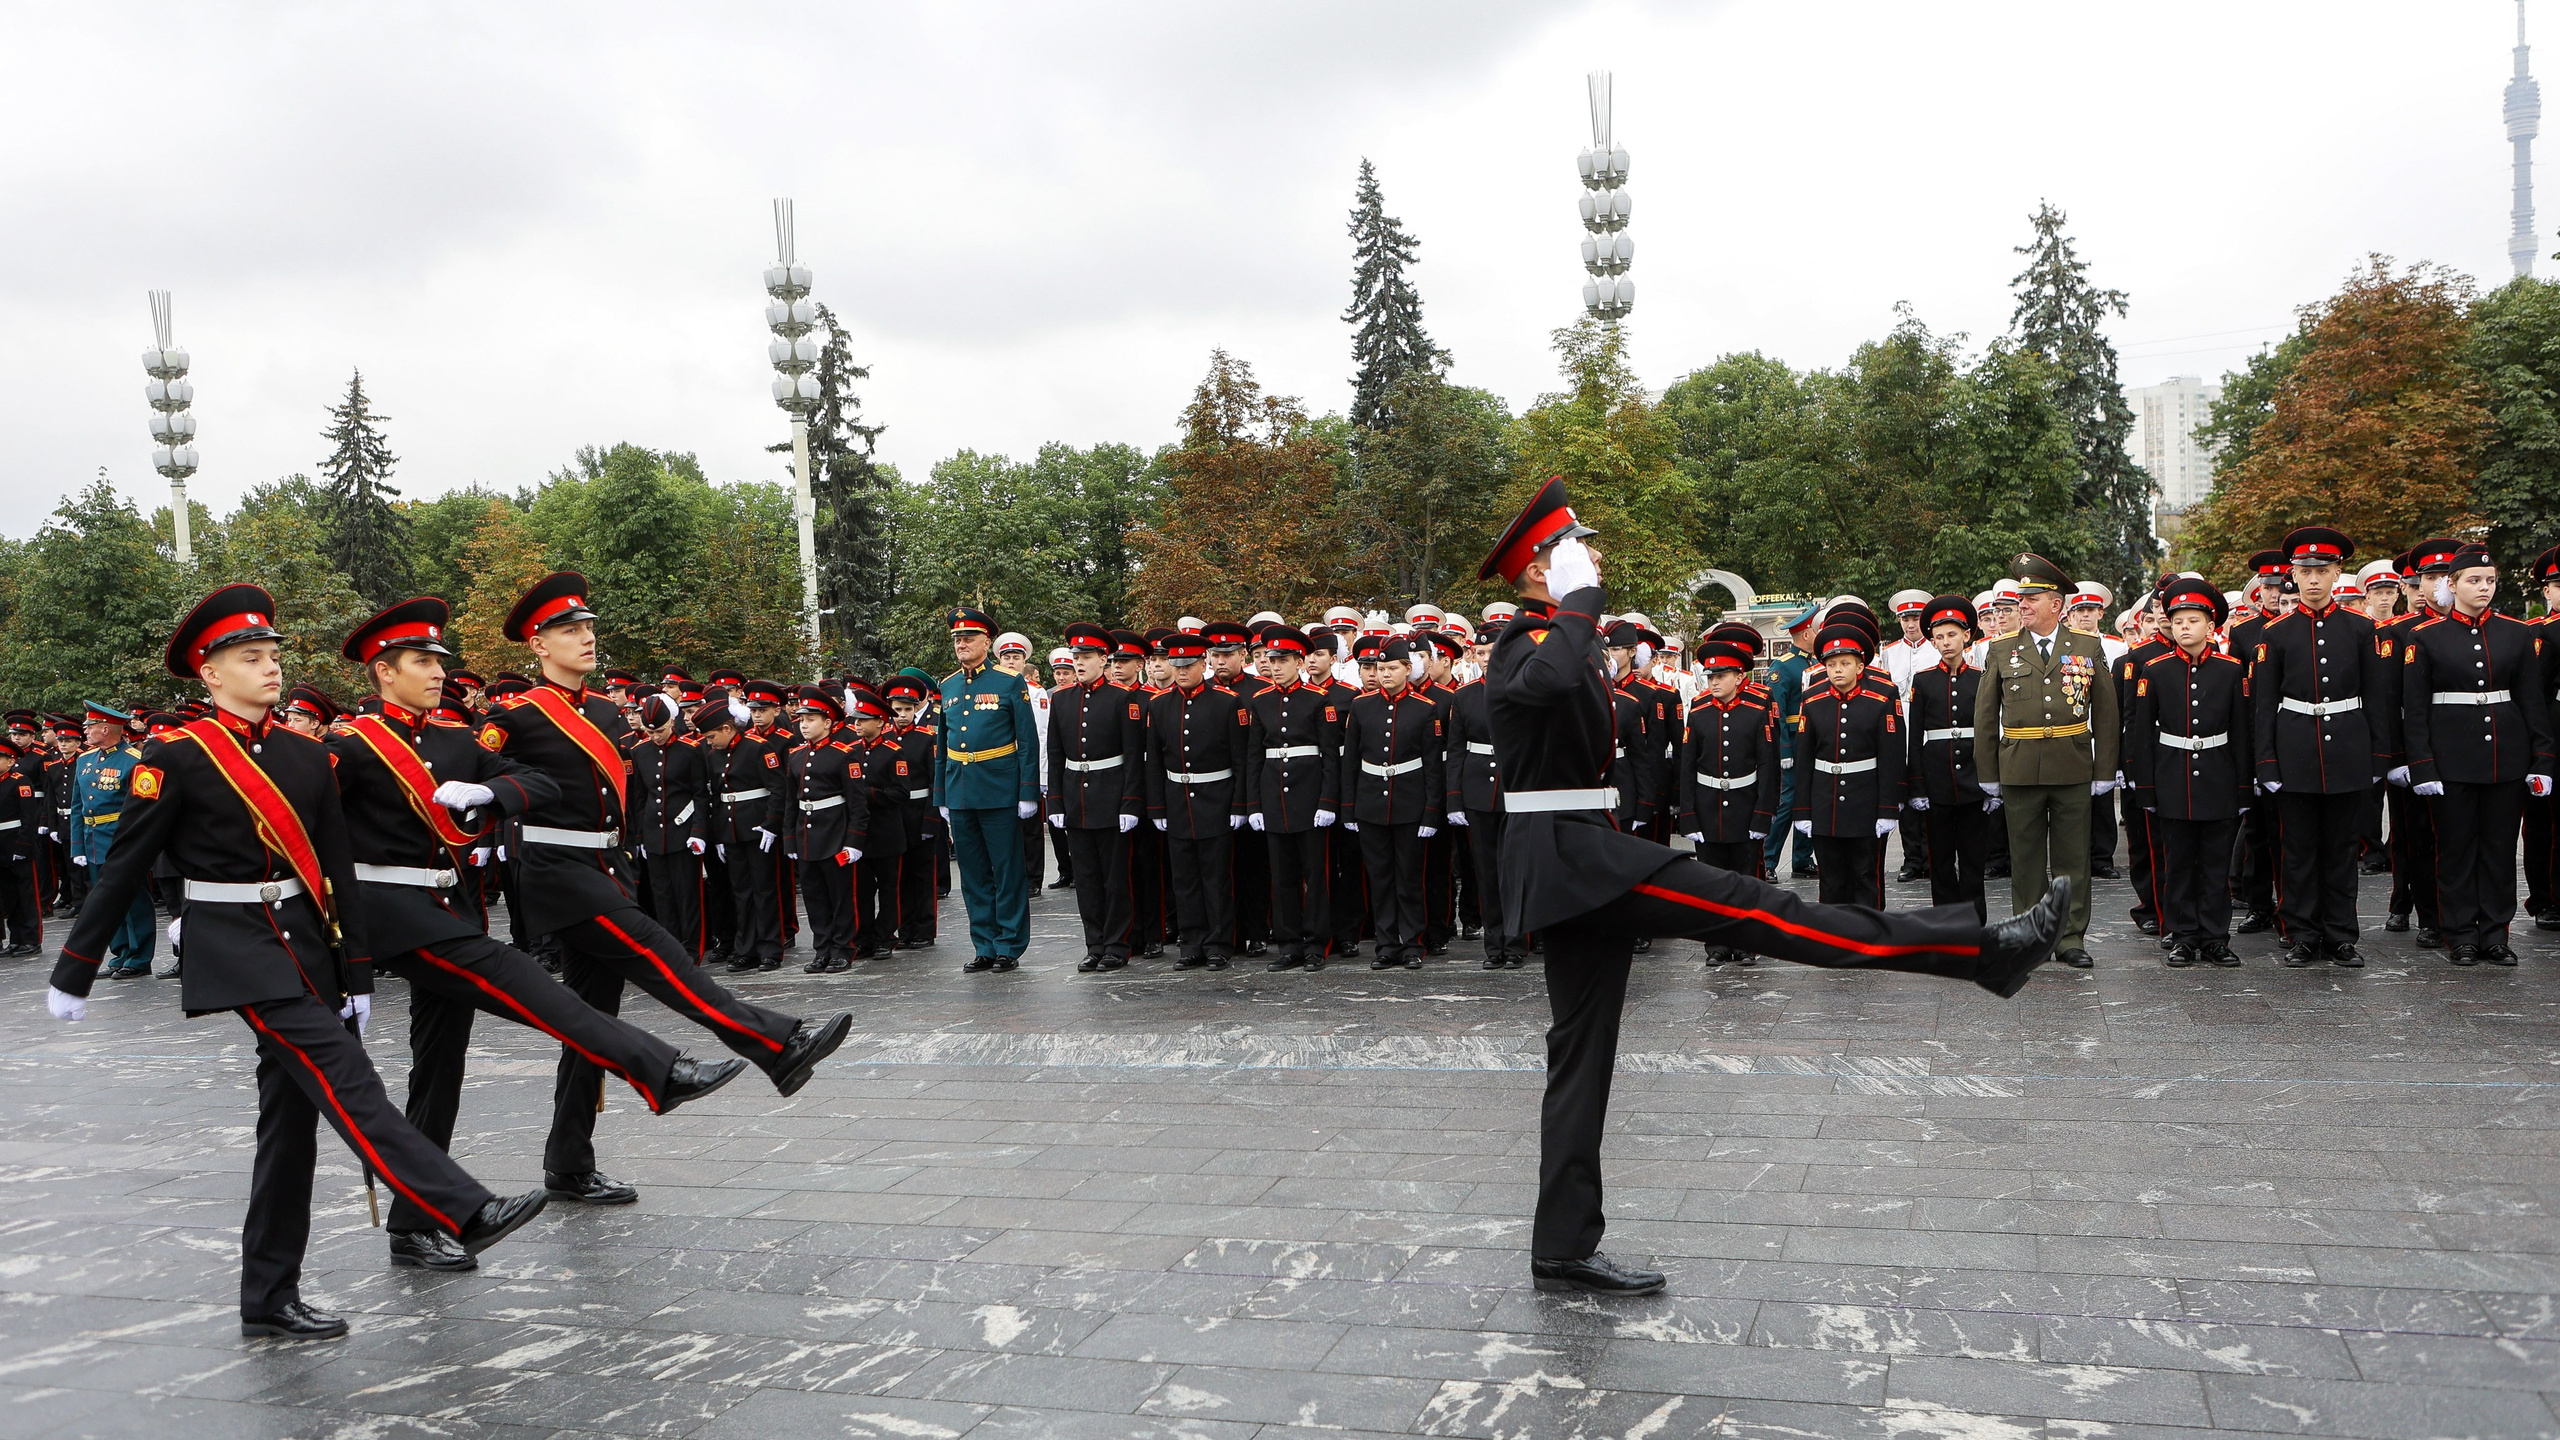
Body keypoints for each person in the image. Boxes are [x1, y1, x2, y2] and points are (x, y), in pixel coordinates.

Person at [1477, 479, 2068, 1297]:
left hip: (1581, 853)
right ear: (1543, 571)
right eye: (1580, 548)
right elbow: (1540, 686)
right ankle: (1981, 950)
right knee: (1768, 909)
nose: (1597, 556)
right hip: (1573, 857)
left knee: (1580, 1056)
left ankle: (1561, 1246)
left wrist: (1580, 604)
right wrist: (1578, 598)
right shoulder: (1522, 644)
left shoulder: (1558, 637)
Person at [47, 585, 552, 1338]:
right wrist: (75, 969)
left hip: (308, 938)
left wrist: (355, 972)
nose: (270, 668)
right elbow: (123, 867)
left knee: (289, 1122)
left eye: (274, 655)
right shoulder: (175, 758)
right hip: (233, 945)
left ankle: (268, 1293)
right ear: (210, 675)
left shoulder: (306, 756)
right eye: (251, 659)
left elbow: (336, 870)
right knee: (347, 1079)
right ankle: (459, 1205)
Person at [327, 597, 743, 1271]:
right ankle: (658, 1069)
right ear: (383, 673)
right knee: (532, 991)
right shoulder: (349, 748)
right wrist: (336, 946)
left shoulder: (455, 740)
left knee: (440, 1068)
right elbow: (313, 834)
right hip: (392, 913)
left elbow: (538, 781)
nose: (437, 672)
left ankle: (412, 1225)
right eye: (421, 662)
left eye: (439, 661)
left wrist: (496, 797)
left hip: (450, 906)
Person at [483, 573, 852, 1206]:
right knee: (662, 955)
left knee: (592, 1024)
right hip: (556, 873)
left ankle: (568, 1162)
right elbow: (480, 773)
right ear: (538, 645)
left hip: (606, 867)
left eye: (589, 627)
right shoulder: (512, 717)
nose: (586, 638)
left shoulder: (602, 711)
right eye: (570, 631)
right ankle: (774, 1043)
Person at [2398, 544, 2556, 967]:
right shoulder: (2425, 637)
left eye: (2489, 581)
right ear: (2452, 585)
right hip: (2451, 759)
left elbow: (2531, 702)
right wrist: (2422, 763)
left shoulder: (2517, 633)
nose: (2483, 587)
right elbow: (2415, 710)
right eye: (2473, 580)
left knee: (2500, 850)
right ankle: (2461, 934)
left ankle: (2495, 933)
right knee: (2456, 849)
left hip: (2506, 757)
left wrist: (2543, 759)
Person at [2250, 526, 2394, 968]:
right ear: (2293, 574)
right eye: (2305, 571)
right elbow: (2264, 704)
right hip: (2295, 750)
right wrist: (2266, 762)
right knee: (2298, 851)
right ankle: (2303, 933)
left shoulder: (2361, 628)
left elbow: (2378, 698)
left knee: (2341, 849)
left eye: (2323, 571)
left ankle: (2340, 935)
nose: (2313, 580)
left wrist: (2379, 757)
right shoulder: (2275, 633)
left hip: (2348, 749)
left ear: (2337, 574)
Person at [1974, 552, 2118, 970]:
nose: (2022, 605)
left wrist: (2104, 770)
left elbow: (2106, 714)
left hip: (2073, 765)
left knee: (2074, 858)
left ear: (2056, 604)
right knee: (2027, 860)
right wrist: (1988, 774)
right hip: (2018, 767)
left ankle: (2070, 937)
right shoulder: (2001, 650)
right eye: (2021, 598)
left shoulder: (2088, 646)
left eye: (2032, 598)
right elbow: (1985, 716)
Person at [2125, 578, 2253, 968]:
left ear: (2210, 626)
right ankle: (2181, 936)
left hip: (2218, 777)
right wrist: (2145, 788)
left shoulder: (2231, 670)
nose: (2183, 627)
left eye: (2193, 620)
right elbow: (2143, 732)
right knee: (2177, 864)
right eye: (2177, 619)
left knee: (2215, 866)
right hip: (2172, 778)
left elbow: (2242, 732)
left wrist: (2244, 788)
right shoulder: (2155, 669)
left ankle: (2215, 937)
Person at [936, 608, 1042, 972]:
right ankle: (983, 943)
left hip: (999, 788)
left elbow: (1027, 740)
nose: (961, 643)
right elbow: (942, 746)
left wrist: (1027, 790)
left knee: (1007, 870)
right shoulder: (947, 686)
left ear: (986, 642)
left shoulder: (1009, 681)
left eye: (968, 637)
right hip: (960, 791)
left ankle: (1009, 945)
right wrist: (942, 797)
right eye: (956, 639)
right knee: (973, 874)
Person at [1144, 631, 1249, 970]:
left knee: (1216, 877)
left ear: (1203, 664)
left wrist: (1238, 805)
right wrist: (1157, 806)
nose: (1182, 671)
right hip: (1177, 800)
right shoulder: (1160, 705)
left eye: (1188, 665)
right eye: (1177, 665)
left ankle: (1219, 943)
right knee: (1184, 879)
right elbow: (1155, 760)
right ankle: (1191, 943)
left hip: (1216, 799)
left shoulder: (1226, 701)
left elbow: (1239, 760)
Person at [1673, 639, 1782, 964]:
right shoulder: (1700, 710)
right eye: (1710, 676)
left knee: (1747, 879)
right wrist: (1688, 815)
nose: (1715, 682)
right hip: (1707, 809)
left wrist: (1764, 813)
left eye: (1721, 675)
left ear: (1739, 676)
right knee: (1711, 882)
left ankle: (1747, 942)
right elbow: (1687, 766)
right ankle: (1717, 944)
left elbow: (1767, 766)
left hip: (1745, 806)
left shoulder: (1755, 710)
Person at [1342, 636, 1445, 970]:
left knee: (1409, 877)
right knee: (1381, 877)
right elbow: (1351, 761)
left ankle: (1412, 943)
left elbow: (1432, 765)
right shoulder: (1361, 706)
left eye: (1391, 668)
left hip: (1409, 803)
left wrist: (1431, 811)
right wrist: (1349, 807)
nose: (1384, 674)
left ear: (1407, 669)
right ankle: (1386, 944)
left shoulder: (1425, 708)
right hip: (1371, 803)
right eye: (1378, 668)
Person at [1046, 623, 1144, 972]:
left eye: (1087, 656)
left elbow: (1133, 756)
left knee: (1115, 879)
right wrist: (1055, 802)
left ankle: (1117, 944)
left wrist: (1131, 802)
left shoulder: (1122, 697)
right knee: (1086, 880)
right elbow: (1055, 755)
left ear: (1104, 659)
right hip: (1076, 799)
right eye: (1076, 656)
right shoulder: (1062, 699)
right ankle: (1095, 943)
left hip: (1112, 795)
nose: (1080, 662)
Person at [1245, 623, 1340, 971]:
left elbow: (1330, 755)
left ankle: (1316, 944)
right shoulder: (1260, 701)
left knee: (1315, 875)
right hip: (1274, 800)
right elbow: (1254, 757)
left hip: (1310, 798)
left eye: (1283, 659)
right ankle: (1288, 944)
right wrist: (1254, 804)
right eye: (1272, 659)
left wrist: (1328, 801)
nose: (1276, 666)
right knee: (1281, 876)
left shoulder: (1318, 700)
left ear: (1299, 662)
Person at [1790, 622, 1905, 909]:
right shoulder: (1812, 700)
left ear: (1860, 666)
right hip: (1824, 802)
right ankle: (1834, 944)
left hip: (1865, 801)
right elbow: (1804, 759)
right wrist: (1803, 809)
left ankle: (1871, 941)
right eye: (1831, 664)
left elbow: (1891, 755)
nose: (1837, 670)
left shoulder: (1881, 697)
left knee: (1867, 876)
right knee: (1831, 879)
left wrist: (1888, 807)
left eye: (1845, 663)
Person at [1905, 595, 1993, 922]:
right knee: (1940, 860)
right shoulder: (1924, 680)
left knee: (1973, 860)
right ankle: (1945, 924)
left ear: (1967, 635)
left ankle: (1974, 922)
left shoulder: (1982, 678)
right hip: (1937, 782)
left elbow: (1990, 733)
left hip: (1973, 780)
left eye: (1952, 635)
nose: (1945, 643)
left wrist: (1990, 782)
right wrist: (1916, 786)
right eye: (1938, 637)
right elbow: (1915, 737)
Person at [786, 684, 868, 974]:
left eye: (810, 720)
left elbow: (857, 803)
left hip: (835, 832)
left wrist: (854, 841)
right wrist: (790, 840)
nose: (804, 725)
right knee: (814, 896)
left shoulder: (843, 754)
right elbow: (790, 801)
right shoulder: (795, 755)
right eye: (801, 719)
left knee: (840, 894)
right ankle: (822, 948)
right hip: (806, 835)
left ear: (828, 722)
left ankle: (843, 948)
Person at [69, 703, 155, 977]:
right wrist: (77, 845)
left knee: (133, 900)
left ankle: (139, 957)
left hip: (121, 839)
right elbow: (78, 807)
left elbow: (141, 808)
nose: (86, 731)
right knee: (105, 901)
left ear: (105, 729)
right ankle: (120, 954)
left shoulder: (133, 759)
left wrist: (135, 844)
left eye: (90, 726)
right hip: (93, 839)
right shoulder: (85, 760)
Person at [629, 693, 712, 957]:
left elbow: (700, 793)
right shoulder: (639, 752)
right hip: (655, 832)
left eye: (661, 731)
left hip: (683, 831)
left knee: (688, 894)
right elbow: (640, 798)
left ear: (672, 722)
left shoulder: (691, 750)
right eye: (650, 732)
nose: (656, 737)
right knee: (662, 895)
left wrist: (698, 831)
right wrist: (640, 835)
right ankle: (671, 947)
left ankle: (692, 948)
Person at [2527, 545, 2560, 931]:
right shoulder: (2538, 632)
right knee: (2545, 821)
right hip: (2553, 729)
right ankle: (2547, 898)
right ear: (2546, 591)